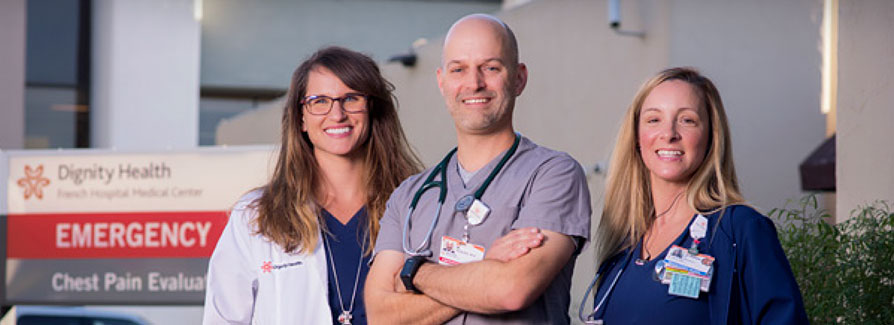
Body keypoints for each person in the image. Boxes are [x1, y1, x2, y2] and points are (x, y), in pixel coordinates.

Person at [365, 14, 591, 324]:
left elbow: (510, 289)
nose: (474, 83)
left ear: (519, 78)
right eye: (459, 69)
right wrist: (484, 269)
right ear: (442, 81)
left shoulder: (554, 175)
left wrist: (413, 272)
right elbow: (380, 315)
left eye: (491, 68)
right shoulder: (410, 195)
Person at [203, 46, 423, 324]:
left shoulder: (416, 206)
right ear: (301, 118)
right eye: (319, 101)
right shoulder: (254, 216)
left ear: (372, 109)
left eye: (351, 99)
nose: (337, 114)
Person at [581, 67, 808, 324]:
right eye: (654, 120)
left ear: (711, 137)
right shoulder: (624, 243)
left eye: (687, 120)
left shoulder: (740, 229)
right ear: (636, 137)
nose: (669, 134)